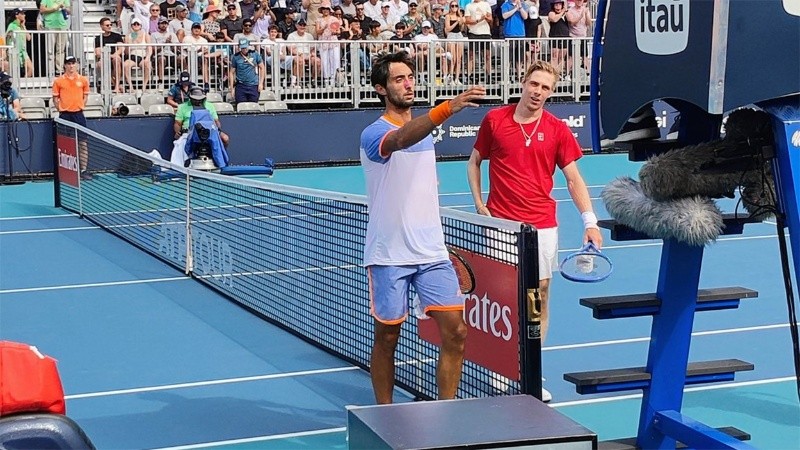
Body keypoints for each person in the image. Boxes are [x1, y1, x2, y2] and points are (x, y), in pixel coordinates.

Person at [466, 60, 602, 402]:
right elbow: (474, 161)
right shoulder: (495, 120)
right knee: (504, 297)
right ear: (523, 83)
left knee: (539, 294)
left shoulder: (557, 129)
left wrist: (590, 221)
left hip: (542, 226)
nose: (538, 92)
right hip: (501, 223)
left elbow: (573, 179)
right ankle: (502, 366)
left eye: (545, 88)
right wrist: (480, 205)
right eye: (534, 84)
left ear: (550, 93)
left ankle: (530, 371)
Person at [360, 51, 485, 404]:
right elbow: (400, 140)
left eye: (410, 77)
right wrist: (447, 108)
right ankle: (384, 413)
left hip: (432, 253)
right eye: (399, 79)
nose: (408, 83)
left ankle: (446, 412)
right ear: (381, 89)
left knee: (457, 332)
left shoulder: (426, 134)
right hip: (389, 254)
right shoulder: (374, 134)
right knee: (387, 338)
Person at [52, 56, 91, 180]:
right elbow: (55, 98)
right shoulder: (58, 81)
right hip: (65, 115)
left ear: (77, 65)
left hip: (78, 115)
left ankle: (83, 170)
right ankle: (66, 172)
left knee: (82, 143)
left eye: (73, 63)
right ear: (64, 66)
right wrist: (61, 109)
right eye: (68, 63)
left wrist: (81, 106)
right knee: (64, 143)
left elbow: (85, 96)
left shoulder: (83, 80)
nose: (71, 66)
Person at [39, 0, 71, 76]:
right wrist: (54, 9)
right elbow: (42, 9)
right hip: (50, 25)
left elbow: (69, 11)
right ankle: (51, 71)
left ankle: (59, 70)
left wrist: (64, 8)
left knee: (61, 49)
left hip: (62, 25)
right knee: (50, 50)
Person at [229, 38, 265, 103]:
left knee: (254, 107)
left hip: (253, 85)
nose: (244, 49)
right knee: (241, 106)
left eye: (245, 47)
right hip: (241, 85)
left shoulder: (255, 54)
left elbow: (262, 67)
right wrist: (232, 88)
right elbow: (231, 72)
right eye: (242, 48)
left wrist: (261, 83)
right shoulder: (236, 57)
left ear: (248, 46)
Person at [6, 9, 34, 78]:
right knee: (14, 71)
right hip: (14, 51)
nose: (24, 15)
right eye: (22, 14)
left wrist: (24, 26)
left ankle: (24, 82)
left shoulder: (21, 26)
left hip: (23, 52)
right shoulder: (12, 25)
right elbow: (7, 36)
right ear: (17, 15)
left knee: (31, 69)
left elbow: (28, 38)